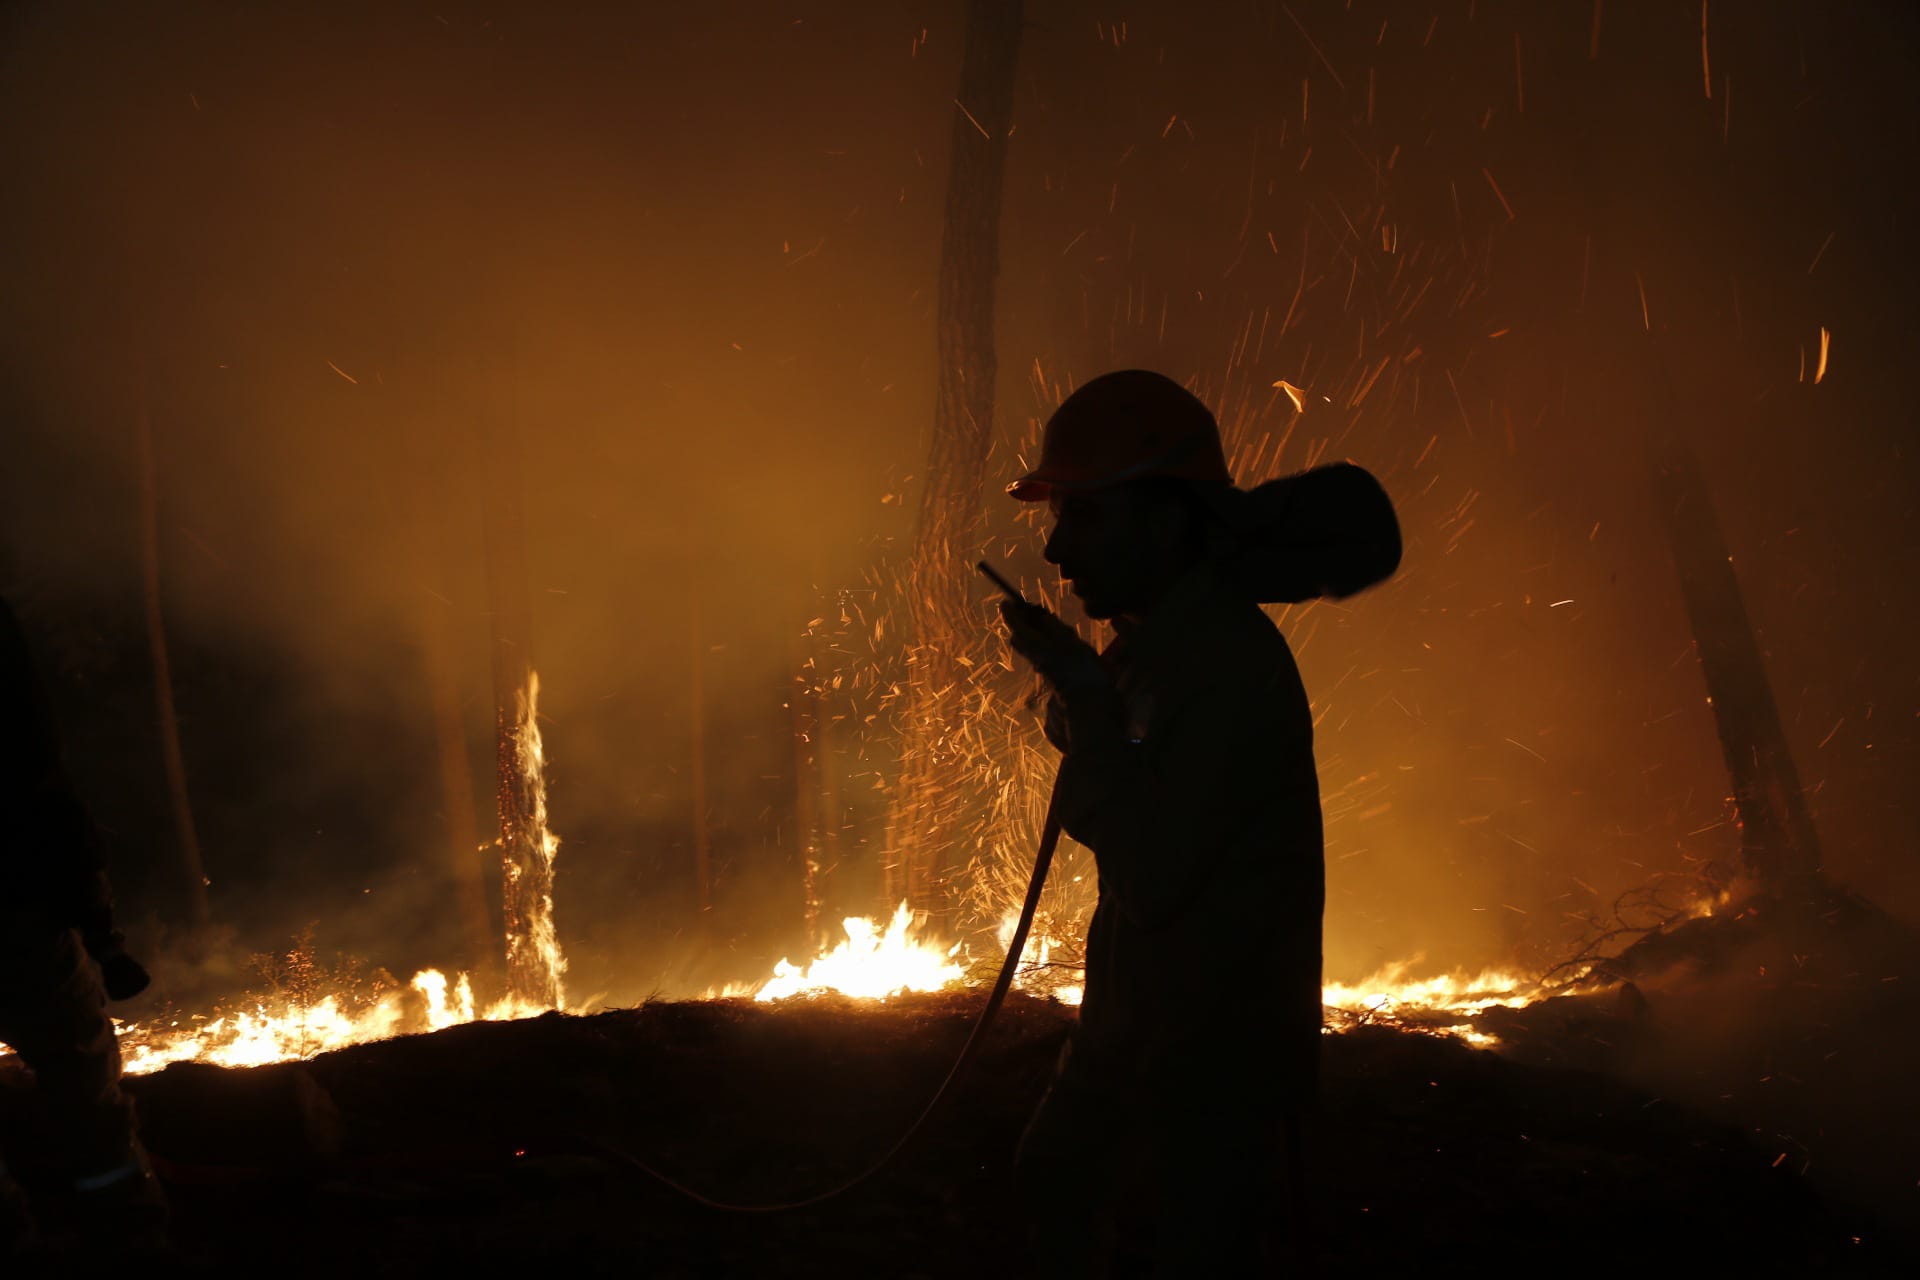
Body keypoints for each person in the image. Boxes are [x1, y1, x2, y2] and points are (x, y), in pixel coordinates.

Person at [999, 370, 1398, 1275]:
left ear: (1169, 519)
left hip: (1208, 1083)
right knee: (1055, 1186)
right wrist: (1080, 689)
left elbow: (1157, 877)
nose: (1057, 550)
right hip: (1141, 1049)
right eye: (1057, 516)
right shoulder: (1160, 643)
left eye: (1084, 516)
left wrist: (1090, 704)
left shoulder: (1222, 664)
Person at [0, 595, 163, 1259]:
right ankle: (129, 1235)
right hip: (17, 918)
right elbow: (39, 785)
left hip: (18, 905)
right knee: (81, 1078)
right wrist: (103, 939)